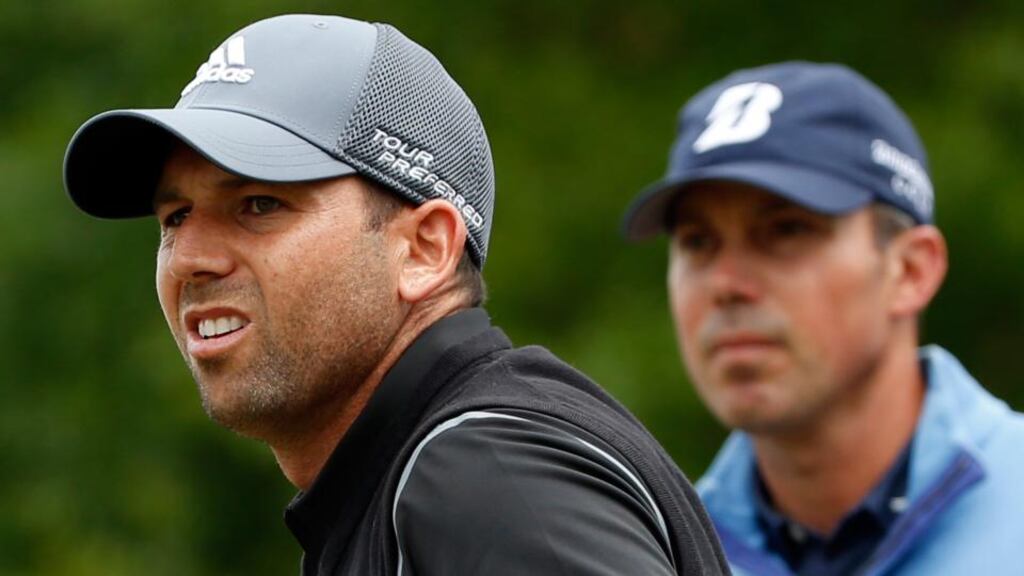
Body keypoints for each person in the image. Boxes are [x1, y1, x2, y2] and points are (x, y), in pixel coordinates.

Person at [63, 13, 729, 576]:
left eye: (260, 204)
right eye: (175, 217)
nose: (193, 260)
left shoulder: (482, 477)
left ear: (424, 249)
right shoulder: (423, 476)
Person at [621, 60, 1024, 575]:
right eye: (698, 242)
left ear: (910, 270)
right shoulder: (659, 553)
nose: (726, 284)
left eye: (786, 231)